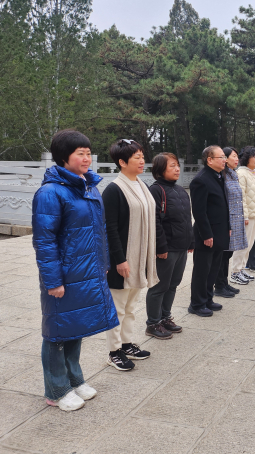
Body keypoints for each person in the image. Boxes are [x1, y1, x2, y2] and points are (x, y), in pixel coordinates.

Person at [33, 129, 119, 411]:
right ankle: (56, 389)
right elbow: (44, 241)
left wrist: (103, 264)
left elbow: (100, 231)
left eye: (87, 152)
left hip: (88, 271)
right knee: (57, 331)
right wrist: (53, 280)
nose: (86, 158)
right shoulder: (50, 192)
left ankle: (74, 379)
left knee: (76, 326)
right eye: (80, 153)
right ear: (63, 157)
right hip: (64, 275)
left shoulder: (89, 186)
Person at [103, 139, 159, 371]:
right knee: (117, 307)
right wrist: (120, 259)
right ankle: (113, 351)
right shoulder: (114, 189)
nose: (142, 160)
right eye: (136, 157)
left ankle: (127, 344)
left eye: (142, 155)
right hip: (124, 259)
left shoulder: (142, 185)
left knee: (132, 306)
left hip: (141, 256)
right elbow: (110, 228)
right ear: (122, 162)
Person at [145, 153, 194, 339]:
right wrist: (161, 247)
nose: (177, 169)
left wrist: (191, 240)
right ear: (160, 169)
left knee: (173, 284)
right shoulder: (156, 190)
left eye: (177, 166)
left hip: (181, 247)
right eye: (172, 166)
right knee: (159, 286)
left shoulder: (180, 190)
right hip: (167, 249)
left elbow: (187, 218)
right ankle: (153, 323)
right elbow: (155, 221)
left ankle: (165, 317)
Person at [189, 145, 231, 317]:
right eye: (221, 157)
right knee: (202, 270)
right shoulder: (201, 179)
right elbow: (199, 211)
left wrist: (228, 227)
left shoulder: (219, 176)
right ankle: (197, 303)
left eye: (224, 157)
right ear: (210, 160)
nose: (225, 160)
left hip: (219, 231)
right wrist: (206, 234)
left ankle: (207, 298)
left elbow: (222, 205)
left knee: (213, 268)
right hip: (207, 234)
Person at [215, 147, 248, 294]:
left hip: (236, 218)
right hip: (227, 219)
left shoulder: (232, 174)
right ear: (225, 159)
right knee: (222, 254)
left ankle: (224, 282)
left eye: (237, 156)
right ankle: (219, 286)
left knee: (228, 253)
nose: (237, 159)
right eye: (233, 156)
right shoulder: (222, 176)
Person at [230, 146, 255, 284]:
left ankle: (242, 268)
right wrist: (244, 215)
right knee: (243, 245)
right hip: (247, 216)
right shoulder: (241, 173)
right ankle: (235, 272)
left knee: (249, 244)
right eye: (254, 156)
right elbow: (241, 196)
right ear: (246, 158)